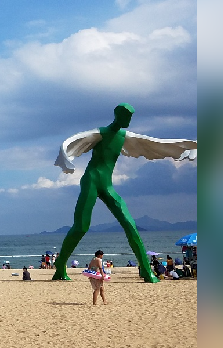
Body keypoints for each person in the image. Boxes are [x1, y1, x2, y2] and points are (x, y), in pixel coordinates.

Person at [52, 104, 197, 283]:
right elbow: (73, 141)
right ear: (118, 115)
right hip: (91, 180)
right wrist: (66, 160)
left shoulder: (124, 137)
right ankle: (60, 265)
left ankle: (145, 269)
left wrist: (190, 147)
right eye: (127, 116)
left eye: (131, 117)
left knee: (129, 224)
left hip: (107, 185)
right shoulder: (101, 133)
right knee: (81, 226)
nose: (129, 120)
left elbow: (155, 144)